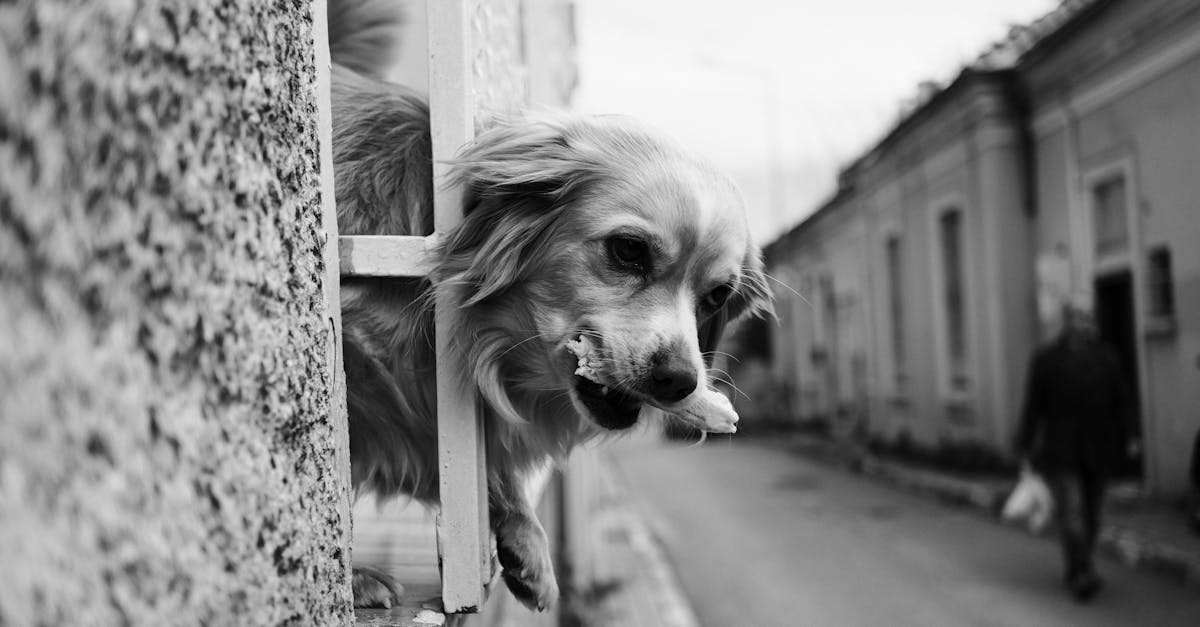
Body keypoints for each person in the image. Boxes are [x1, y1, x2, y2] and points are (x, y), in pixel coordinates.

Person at [1014, 304, 1139, 602]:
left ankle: (1079, 566)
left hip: (1098, 448)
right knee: (1071, 513)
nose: (1085, 323)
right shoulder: (1045, 360)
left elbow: (1121, 400)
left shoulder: (1107, 358)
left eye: (1089, 318)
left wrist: (1131, 434)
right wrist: (1025, 444)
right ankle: (1082, 573)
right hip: (1061, 450)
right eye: (1079, 317)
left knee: (1092, 514)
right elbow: (1033, 406)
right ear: (1067, 322)